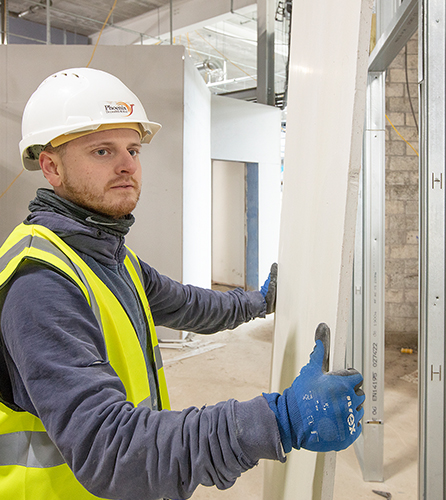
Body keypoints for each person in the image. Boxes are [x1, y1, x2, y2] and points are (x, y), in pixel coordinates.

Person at [0, 67, 365, 500]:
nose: (127, 166)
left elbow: (187, 304)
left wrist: (258, 301)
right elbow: (111, 452)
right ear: (51, 167)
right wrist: (278, 421)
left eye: (133, 149)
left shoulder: (107, 256)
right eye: (102, 151)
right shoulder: (41, 283)